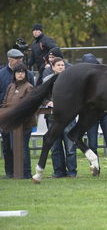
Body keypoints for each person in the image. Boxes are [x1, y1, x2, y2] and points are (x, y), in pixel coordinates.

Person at [0, 49, 35, 178]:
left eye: (22, 72)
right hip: (7, 119)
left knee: (22, 147)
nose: (20, 74)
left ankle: (25, 173)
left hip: (22, 121)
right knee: (8, 147)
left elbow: (31, 100)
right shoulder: (7, 81)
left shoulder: (28, 81)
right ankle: (12, 172)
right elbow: (4, 100)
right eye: (17, 59)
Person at [81, 53, 107, 177]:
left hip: (105, 113)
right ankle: (95, 169)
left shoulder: (105, 78)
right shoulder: (82, 82)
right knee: (92, 144)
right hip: (91, 115)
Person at [43, 57, 77, 178]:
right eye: (58, 65)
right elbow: (42, 96)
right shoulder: (47, 80)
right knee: (55, 146)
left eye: (63, 65)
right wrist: (48, 103)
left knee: (70, 146)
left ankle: (72, 172)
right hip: (52, 118)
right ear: (52, 67)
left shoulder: (71, 81)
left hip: (69, 118)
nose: (61, 67)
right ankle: (59, 172)